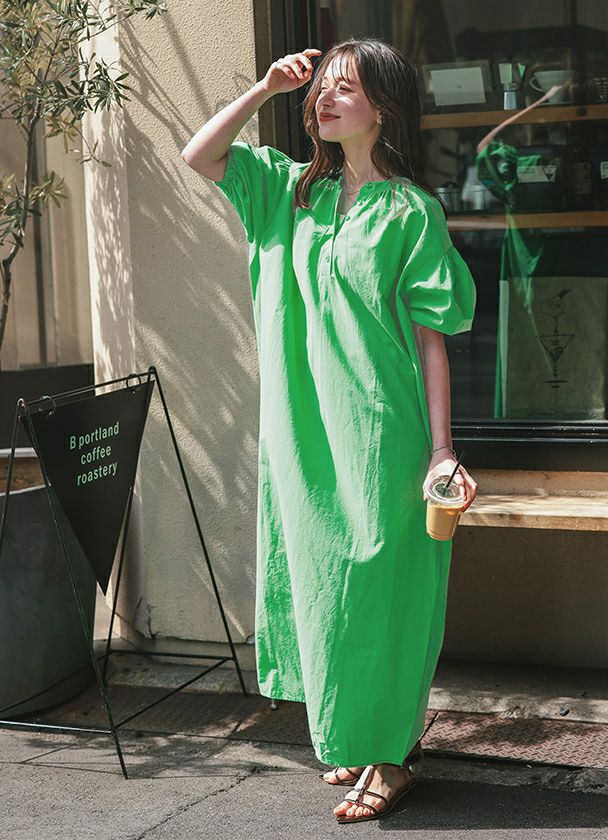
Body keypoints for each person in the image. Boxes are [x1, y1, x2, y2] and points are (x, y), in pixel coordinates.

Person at [181, 36, 478, 824]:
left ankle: (393, 757)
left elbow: (431, 340)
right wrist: (263, 90)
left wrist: (441, 451)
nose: (325, 98)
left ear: (383, 108)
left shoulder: (411, 211)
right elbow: (198, 154)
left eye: (345, 87)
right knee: (323, 584)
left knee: (382, 585)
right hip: (303, 430)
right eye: (322, 89)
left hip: (383, 428)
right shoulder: (285, 192)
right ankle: (360, 733)